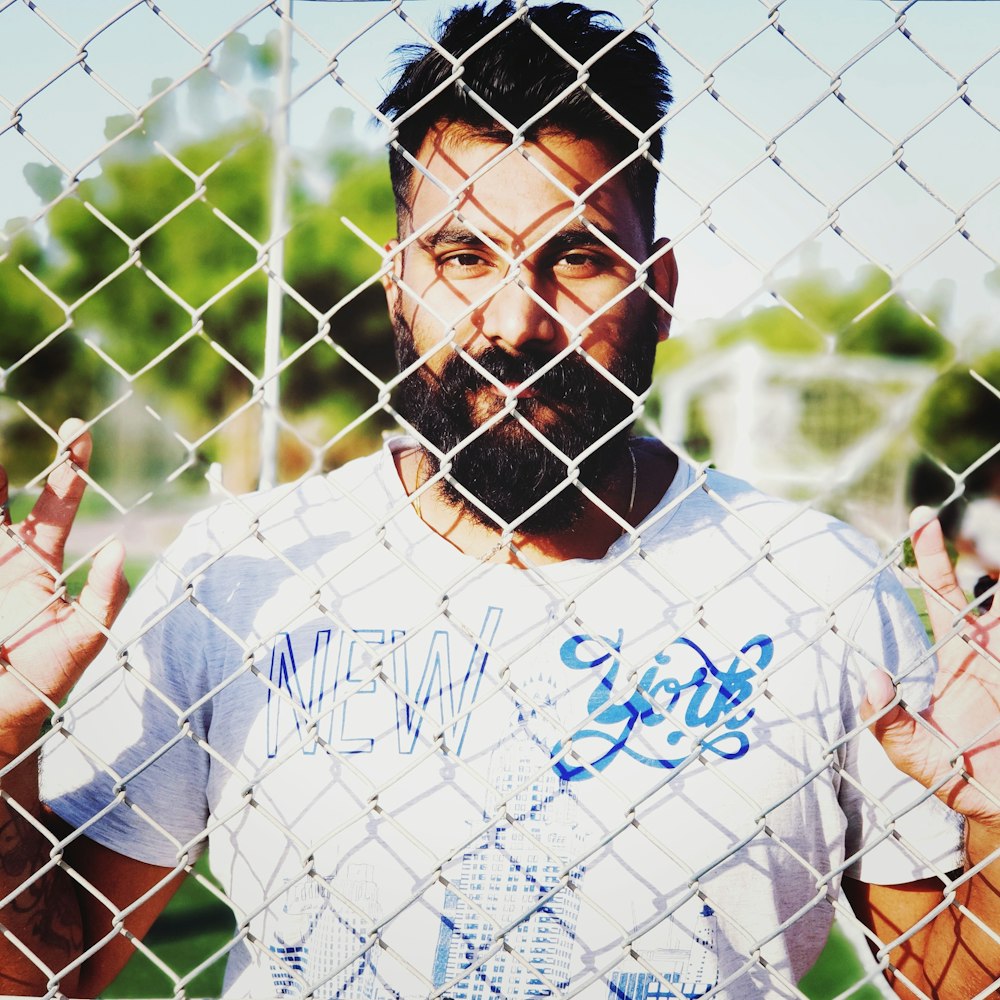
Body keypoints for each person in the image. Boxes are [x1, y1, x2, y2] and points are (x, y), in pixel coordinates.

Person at [1, 3, 998, 998]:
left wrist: (996, 820)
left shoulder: (817, 588)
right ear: (398, 284)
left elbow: (952, 982)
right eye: (463, 257)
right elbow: (51, 965)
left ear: (657, 288)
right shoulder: (242, 570)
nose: (516, 322)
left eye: (576, 257)